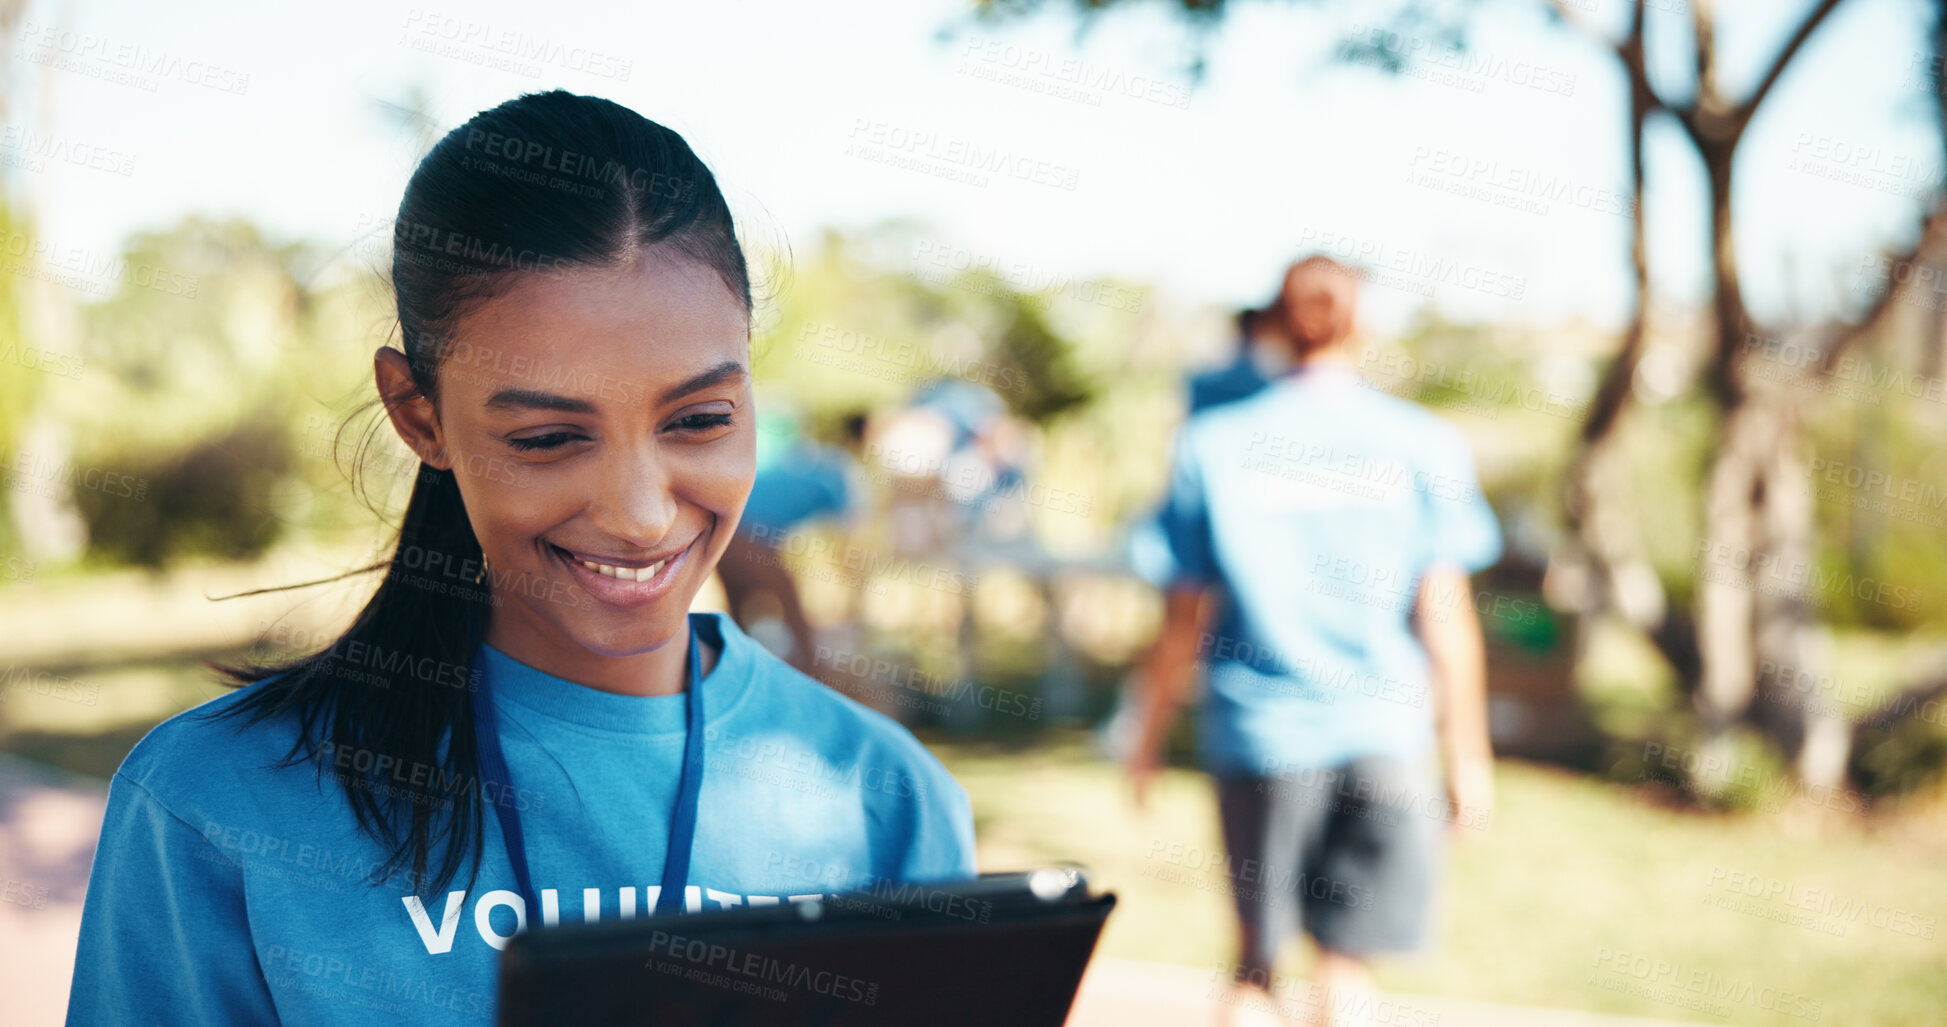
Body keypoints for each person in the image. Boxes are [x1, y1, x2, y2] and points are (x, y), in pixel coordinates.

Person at [66, 91, 977, 1026]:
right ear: (420, 416)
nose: (638, 513)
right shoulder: (216, 806)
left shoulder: (887, 801)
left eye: (700, 421)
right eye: (548, 437)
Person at [1126, 256, 1501, 1027]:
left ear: (1271, 324)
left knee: (1254, 965)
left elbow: (1180, 620)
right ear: (1359, 325)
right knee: (1347, 965)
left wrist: (1147, 734)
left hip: (1260, 734)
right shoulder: (1419, 441)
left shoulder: (1214, 443)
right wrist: (1468, 754)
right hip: (1385, 734)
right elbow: (1446, 617)